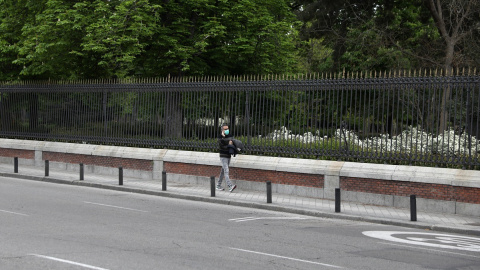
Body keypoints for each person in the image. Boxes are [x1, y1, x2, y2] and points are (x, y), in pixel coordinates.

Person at [217, 124, 237, 192]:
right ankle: (230, 186)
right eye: (225, 129)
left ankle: (218, 185)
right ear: (222, 130)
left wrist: (229, 145)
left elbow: (232, 143)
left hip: (228, 155)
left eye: (227, 128)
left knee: (223, 171)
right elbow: (221, 146)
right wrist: (224, 138)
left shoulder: (230, 135)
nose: (227, 130)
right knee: (226, 171)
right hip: (223, 156)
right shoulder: (220, 137)